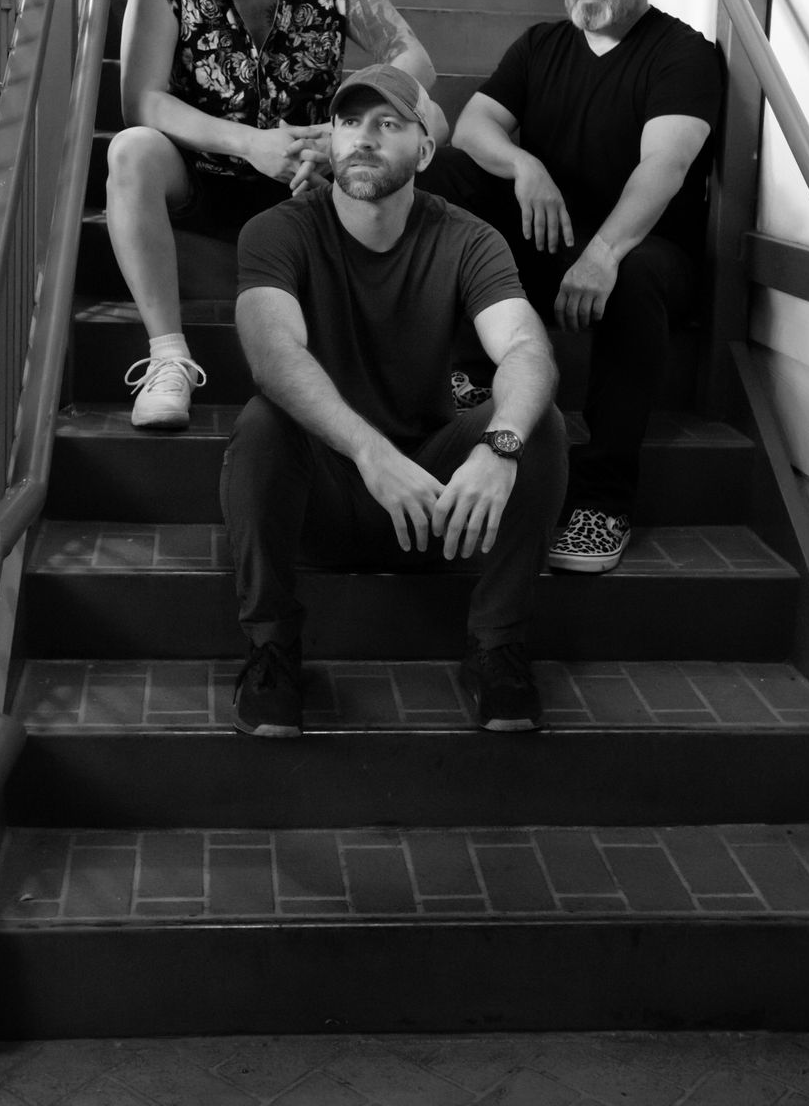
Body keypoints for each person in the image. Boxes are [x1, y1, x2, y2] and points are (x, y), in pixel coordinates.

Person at [220, 63, 567, 738]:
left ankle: (496, 647)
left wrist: (499, 449)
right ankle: (271, 650)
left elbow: (526, 348)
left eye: (388, 123)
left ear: (425, 149)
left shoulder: (468, 238)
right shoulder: (276, 231)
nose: (364, 138)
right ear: (330, 139)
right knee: (264, 424)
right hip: (324, 492)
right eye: (349, 121)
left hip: (433, 501)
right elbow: (272, 355)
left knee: (536, 422)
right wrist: (369, 452)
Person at [419, 0, 723, 573]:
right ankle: (465, 371)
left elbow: (664, 165)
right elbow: (474, 126)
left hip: (643, 249)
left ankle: (602, 499)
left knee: (636, 276)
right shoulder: (541, 45)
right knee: (445, 176)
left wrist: (604, 253)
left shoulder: (683, 55)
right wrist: (524, 165)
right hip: (550, 237)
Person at [106, 0, 446, 429]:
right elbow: (142, 101)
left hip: (307, 180)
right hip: (200, 173)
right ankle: (168, 358)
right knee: (131, 150)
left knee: (426, 122)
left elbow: (412, 59)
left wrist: (334, 140)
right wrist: (249, 143)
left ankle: (406, 360)